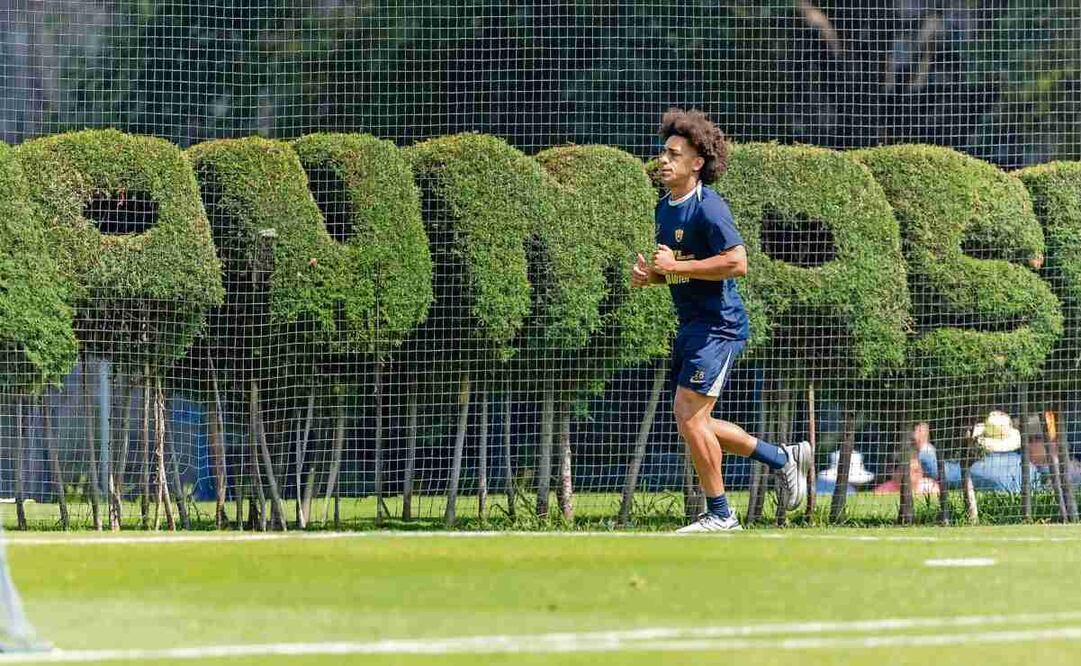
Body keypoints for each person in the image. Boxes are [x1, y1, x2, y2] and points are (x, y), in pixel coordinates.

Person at [630, 108, 811, 532]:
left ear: (697, 163)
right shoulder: (665, 208)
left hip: (719, 326)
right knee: (697, 422)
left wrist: (676, 268)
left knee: (690, 417)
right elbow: (684, 266)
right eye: (663, 152)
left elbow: (736, 262)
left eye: (674, 154)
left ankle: (721, 514)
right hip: (693, 324)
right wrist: (653, 276)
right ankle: (781, 458)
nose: (664, 160)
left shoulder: (709, 207)